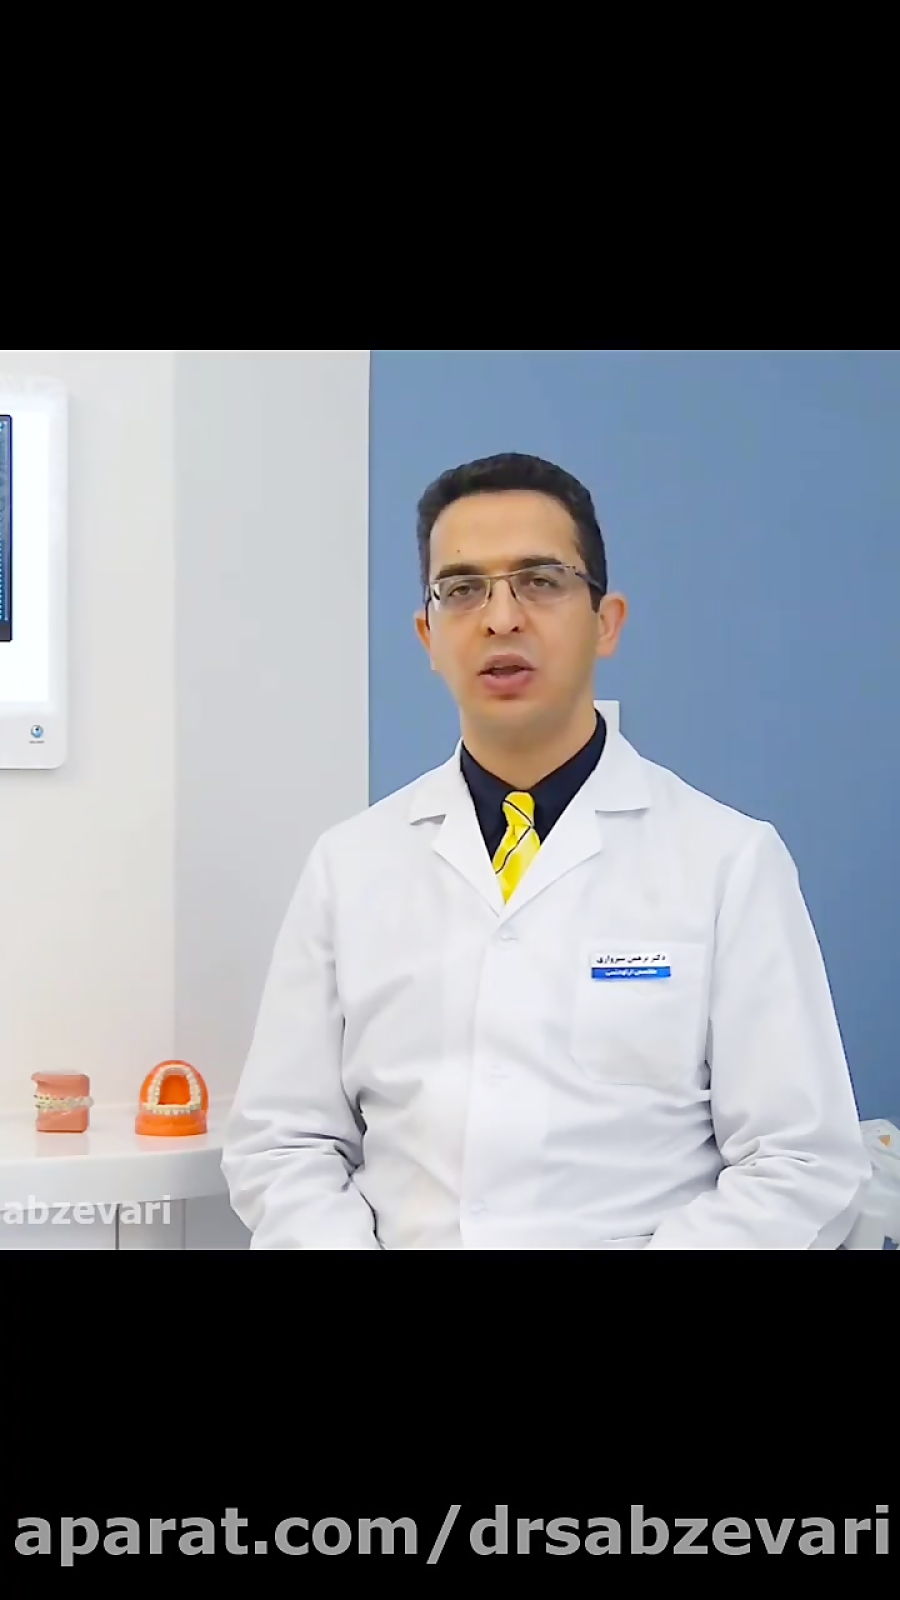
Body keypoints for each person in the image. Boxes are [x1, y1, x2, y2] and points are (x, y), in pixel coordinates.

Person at [221, 452, 870, 1249]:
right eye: (463, 590)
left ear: (606, 622)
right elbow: (282, 1144)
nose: (500, 618)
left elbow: (802, 1162)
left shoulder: (728, 862)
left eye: (540, 580)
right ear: (428, 636)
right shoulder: (349, 866)